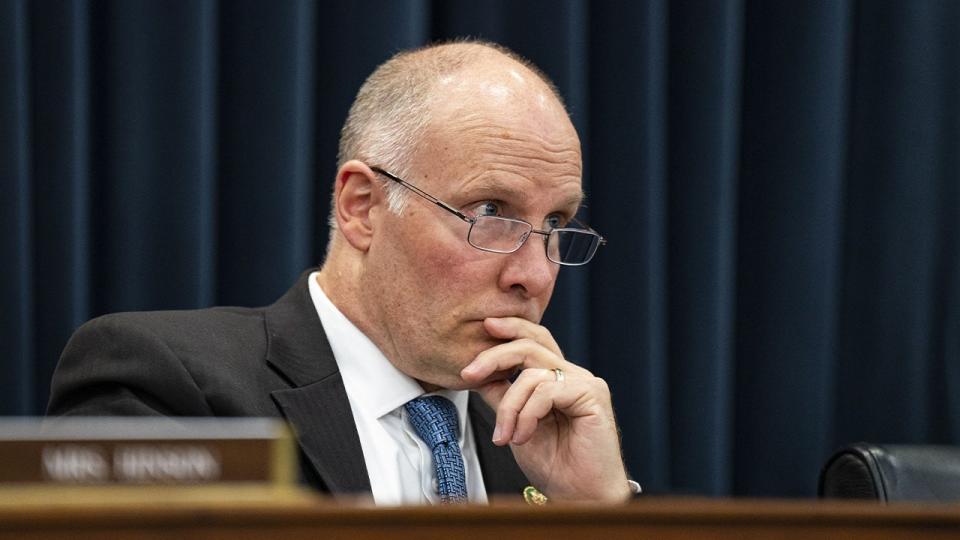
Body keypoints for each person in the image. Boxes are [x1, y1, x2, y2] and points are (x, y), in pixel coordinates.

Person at [48, 40, 635, 505]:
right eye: (490, 213)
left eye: (556, 222)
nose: (533, 274)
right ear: (362, 207)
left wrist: (598, 511)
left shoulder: (538, 442)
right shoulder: (166, 384)